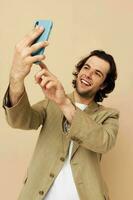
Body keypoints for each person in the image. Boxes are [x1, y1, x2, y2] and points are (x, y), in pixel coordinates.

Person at [3, 26, 119, 200]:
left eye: (97, 73)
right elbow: (21, 120)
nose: (88, 74)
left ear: (103, 84)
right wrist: (16, 78)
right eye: (86, 68)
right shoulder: (51, 103)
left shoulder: (109, 115)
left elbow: (103, 141)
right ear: (79, 70)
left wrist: (64, 103)